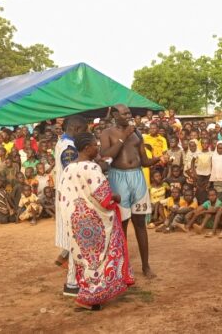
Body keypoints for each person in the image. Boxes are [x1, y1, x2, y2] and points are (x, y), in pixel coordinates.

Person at [61, 132, 134, 310]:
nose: (98, 148)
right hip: (93, 221)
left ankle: (87, 293)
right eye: (95, 145)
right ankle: (91, 297)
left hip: (75, 220)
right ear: (87, 148)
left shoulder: (68, 168)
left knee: (85, 257)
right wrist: (116, 197)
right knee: (97, 258)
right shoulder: (92, 168)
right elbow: (104, 197)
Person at [101, 104, 160, 278]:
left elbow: (144, 161)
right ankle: (123, 268)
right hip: (118, 178)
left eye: (129, 113)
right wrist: (123, 137)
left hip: (137, 177)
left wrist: (157, 160)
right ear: (114, 115)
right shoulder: (107, 133)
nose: (129, 115)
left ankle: (146, 266)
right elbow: (106, 158)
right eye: (124, 113)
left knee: (140, 223)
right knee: (122, 225)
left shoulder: (137, 133)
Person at [54, 115, 88, 296]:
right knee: (76, 242)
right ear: (76, 130)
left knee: (74, 241)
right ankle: (72, 283)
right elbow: (73, 173)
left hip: (66, 197)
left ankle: (73, 279)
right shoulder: (69, 148)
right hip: (71, 198)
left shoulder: (63, 143)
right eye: (84, 131)